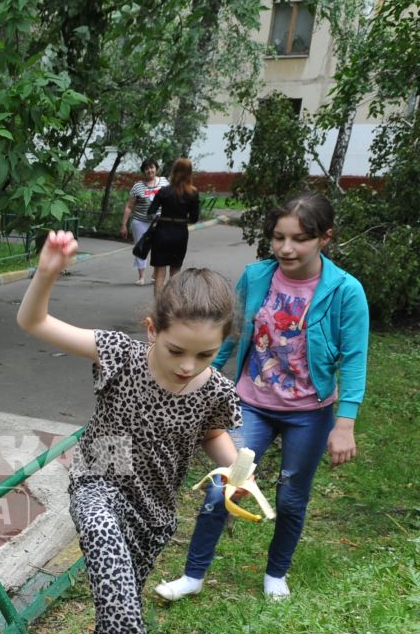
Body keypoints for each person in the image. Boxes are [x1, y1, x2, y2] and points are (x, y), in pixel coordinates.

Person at [17, 230, 241, 634]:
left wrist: (234, 472)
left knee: (117, 598)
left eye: (204, 356)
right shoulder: (119, 353)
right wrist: (48, 272)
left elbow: (214, 435)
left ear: (222, 345)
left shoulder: (216, 390)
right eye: (177, 349)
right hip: (101, 473)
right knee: (103, 545)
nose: (188, 366)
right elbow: (33, 321)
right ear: (151, 329)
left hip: (155, 508)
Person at [156, 192, 369, 604]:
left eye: (300, 239)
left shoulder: (345, 291)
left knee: (291, 496)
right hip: (250, 404)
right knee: (225, 487)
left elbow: (355, 358)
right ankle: (193, 576)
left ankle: (276, 575)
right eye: (278, 237)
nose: (286, 248)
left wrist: (345, 423)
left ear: (325, 238)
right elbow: (227, 338)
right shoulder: (256, 278)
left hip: (310, 413)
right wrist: (198, 381)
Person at [144, 157, 202, 297]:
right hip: (180, 233)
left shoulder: (164, 191)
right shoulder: (193, 193)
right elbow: (194, 219)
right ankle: (171, 306)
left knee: (159, 272)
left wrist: (161, 217)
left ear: (174, 171)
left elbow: (151, 212)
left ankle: (158, 307)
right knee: (175, 271)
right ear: (189, 173)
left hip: (162, 232)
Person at [119, 160, 162, 286]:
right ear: (143, 171)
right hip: (140, 222)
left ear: (156, 169)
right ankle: (141, 276)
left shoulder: (164, 183)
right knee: (141, 248)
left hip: (159, 222)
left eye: (152, 167)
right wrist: (123, 225)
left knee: (158, 248)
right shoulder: (137, 187)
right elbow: (129, 206)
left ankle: (155, 275)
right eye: (147, 169)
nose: (150, 171)